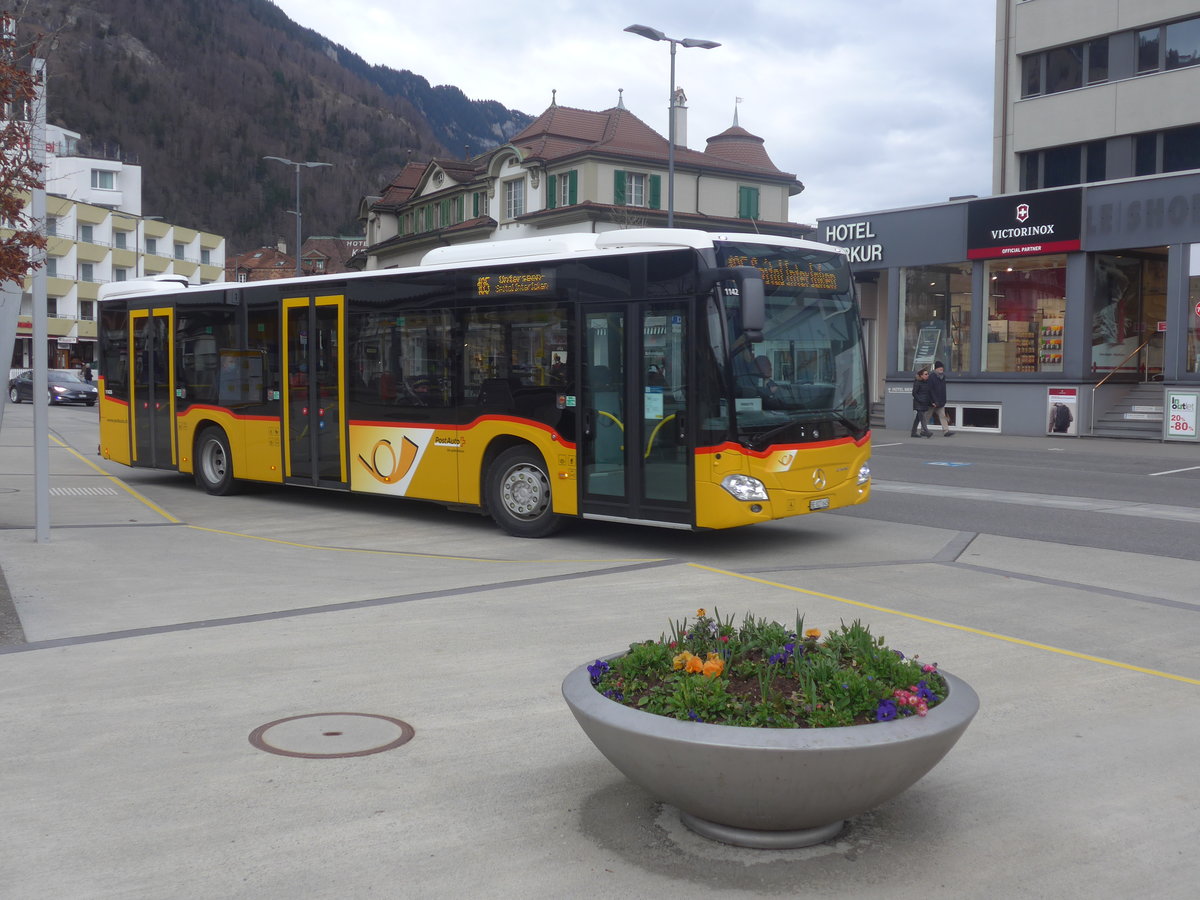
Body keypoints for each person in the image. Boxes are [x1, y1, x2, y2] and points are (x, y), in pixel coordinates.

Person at [928, 360, 953, 436]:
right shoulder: (932, 377)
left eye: (942, 367)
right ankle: (923, 429)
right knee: (927, 416)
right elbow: (930, 390)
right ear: (936, 368)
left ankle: (946, 431)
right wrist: (932, 401)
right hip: (933, 402)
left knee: (943, 416)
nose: (941, 369)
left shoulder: (943, 377)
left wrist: (943, 400)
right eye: (939, 367)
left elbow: (943, 390)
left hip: (940, 401)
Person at [911, 368, 933, 437]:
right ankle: (927, 431)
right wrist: (920, 400)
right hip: (919, 403)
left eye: (928, 374)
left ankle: (913, 433)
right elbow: (914, 393)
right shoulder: (917, 382)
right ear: (921, 376)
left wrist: (931, 402)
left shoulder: (926, 382)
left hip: (924, 403)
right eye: (926, 374)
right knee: (922, 418)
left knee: (917, 419)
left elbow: (928, 394)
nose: (927, 375)